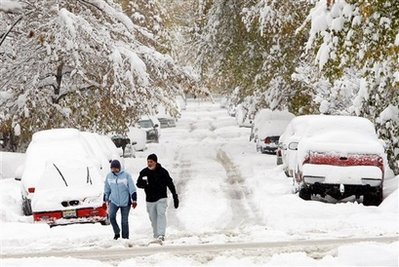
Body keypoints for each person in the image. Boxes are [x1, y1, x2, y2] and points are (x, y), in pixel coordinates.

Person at [136, 154, 179, 242]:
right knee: (153, 218)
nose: (149, 163)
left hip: (161, 197)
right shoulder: (144, 172)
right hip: (150, 199)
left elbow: (170, 184)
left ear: (155, 162)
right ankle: (156, 234)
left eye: (151, 162)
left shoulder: (163, 172)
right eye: (148, 162)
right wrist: (143, 184)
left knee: (161, 214)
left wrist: (175, 196)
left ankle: (161, 234)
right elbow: (138, 183)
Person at [103, 160, 137, 240]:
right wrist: (105, 200)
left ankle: (125, 237)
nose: (114, 170)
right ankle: (117, 233)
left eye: (116, 168)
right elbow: (107, 189)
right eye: (112, 168)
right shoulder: (109, 176)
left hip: (125, 201)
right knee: (111, 217)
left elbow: (132, 188)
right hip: (113, 201)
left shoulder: (126, 175)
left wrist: (134, 199)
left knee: (124, 221)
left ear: (119, 168)